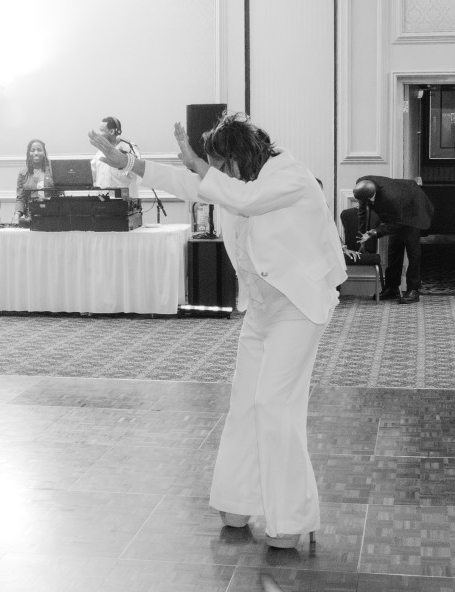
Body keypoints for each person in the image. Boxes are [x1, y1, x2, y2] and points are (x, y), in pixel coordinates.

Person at [90, 114, 346, 549]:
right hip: (262, 309)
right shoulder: (234, 181)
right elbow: (193, 185)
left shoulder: (289, 175)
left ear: (238, 159)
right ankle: (239, 498)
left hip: (299, 308)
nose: (211, 176)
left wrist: (199, 166)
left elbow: (246, 200)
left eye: (217, 166)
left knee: (273, 405)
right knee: (245, 404)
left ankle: (293, 517)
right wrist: (130, 163)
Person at [353, 175, 434, 305]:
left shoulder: (391, 198)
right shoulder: (362, 186)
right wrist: (363, 236)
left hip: (414, 207)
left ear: (373, 193)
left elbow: (399, 223)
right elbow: (363, 212)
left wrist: (375, 232)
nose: (369, 202)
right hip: (398, 208)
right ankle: (392, 288)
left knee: (413, 251)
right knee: (394, 249)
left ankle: (413, 289)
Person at [90, 116, 142, 228]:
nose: (98, 134)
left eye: (101, 130)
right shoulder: (100, 151)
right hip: (102, 207)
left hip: (123, 209)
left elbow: (137, 173)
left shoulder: (129, 148)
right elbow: (94, 174)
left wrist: (123, 163)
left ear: (112, 131)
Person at [13, 139, 55, 224]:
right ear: (28, 154)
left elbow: (60, 195)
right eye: (32, 150)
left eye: (39, 150)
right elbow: (20, 198)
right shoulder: (23, 174)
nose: (36, 153)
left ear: (44, 153)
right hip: (31, 218)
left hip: (52, 216)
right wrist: (17, 215)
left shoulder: (53, 172)